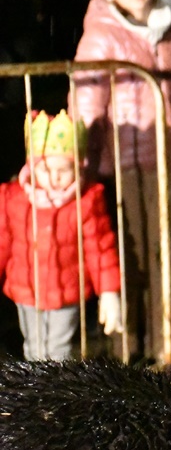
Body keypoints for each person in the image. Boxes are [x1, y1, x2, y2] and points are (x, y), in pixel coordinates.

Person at [71, 0, 171, 362]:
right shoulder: (101, 35)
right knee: (126, 252)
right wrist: (81, 161)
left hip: (164, 159)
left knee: (163, 248)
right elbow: (87, 102)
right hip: (119, 162)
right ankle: (126, 349)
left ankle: (164, 346)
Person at [0, 110, 122, 361]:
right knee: (33, 347)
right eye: (46, 170)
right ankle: (34, 396)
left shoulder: (86, 201)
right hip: (26, 289)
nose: (54, 178)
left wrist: (109, 291)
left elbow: (100, 248)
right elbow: (3, 241)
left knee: (58, 350)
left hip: (66, 290)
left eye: (63, 170)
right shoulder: (14, 198)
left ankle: (55, 396)